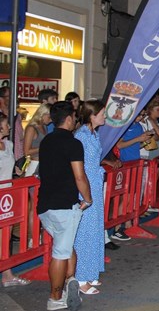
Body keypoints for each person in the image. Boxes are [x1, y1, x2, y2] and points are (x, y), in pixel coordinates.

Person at [37, 101, 92, 311]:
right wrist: (87, 199)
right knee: (61, 251)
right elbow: (80, 176)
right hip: (64, 205)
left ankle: (70, 282)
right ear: (69, 119)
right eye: (75, 117)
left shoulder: (47, 141)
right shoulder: (73, 142)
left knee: (66, 245)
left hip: (45, 205)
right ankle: (55, 298)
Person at [73, 100, 121, 295]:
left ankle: (91, 271)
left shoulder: (94, 134)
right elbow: (79, 166)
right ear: (92, 115)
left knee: (95, 229)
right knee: (85, 230)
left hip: (95, 182)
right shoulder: (82, 136)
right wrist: (85, 193)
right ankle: (81, 277)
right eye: (102, 113)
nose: (105, 116)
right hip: (86, 185)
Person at [112, 111, 154, 241]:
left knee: (133, 195)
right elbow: (119, 144)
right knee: (125, 197)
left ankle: (128, 223)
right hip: (125, 164)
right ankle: (117, 227)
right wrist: (138, 139)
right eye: (139, 115)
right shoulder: (124, 126)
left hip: (136, 162)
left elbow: (136, 144)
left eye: (143, 115)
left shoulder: (139, 126)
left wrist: (145, 141)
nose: (141, 117)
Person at [0, 113, 31, 288]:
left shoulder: (9, 144)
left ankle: (7, 274)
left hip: (7, 196)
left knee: (7, 234)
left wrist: (20, 170)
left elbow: (13, 169)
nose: (9, 127)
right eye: (6, 124)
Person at [23, 103, 52, 176]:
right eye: (49, 117)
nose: (51, 120)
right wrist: (43, 147)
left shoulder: (44, 127)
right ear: (43, 114)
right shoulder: (32, 128)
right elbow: (26, 151)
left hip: (43, 162)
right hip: (34, 163)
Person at [0, 86, 25, 160]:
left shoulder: (17, 116)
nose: (14, 98)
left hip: (17, 158)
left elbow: (20, 138)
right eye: (10, 96)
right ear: (1, 99)